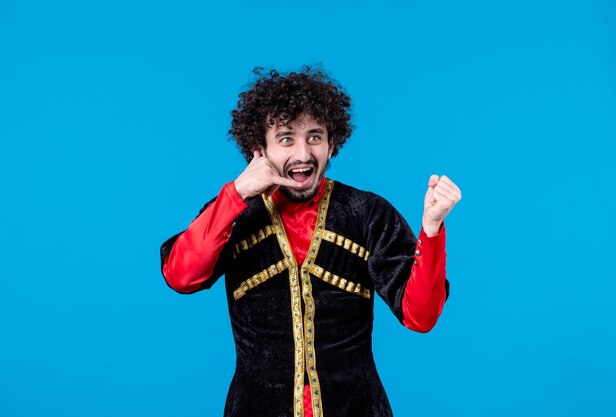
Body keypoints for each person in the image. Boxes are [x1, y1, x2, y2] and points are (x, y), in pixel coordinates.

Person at [160, 66, 462, 417]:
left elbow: (420, 316)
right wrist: (238, 192)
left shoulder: (368, 213)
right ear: (259, 150)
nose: (303, 154)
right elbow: (181, 276)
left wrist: (432, 228)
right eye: (286, 139)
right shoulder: (233, 213)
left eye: (315, 137)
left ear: (332, 144)